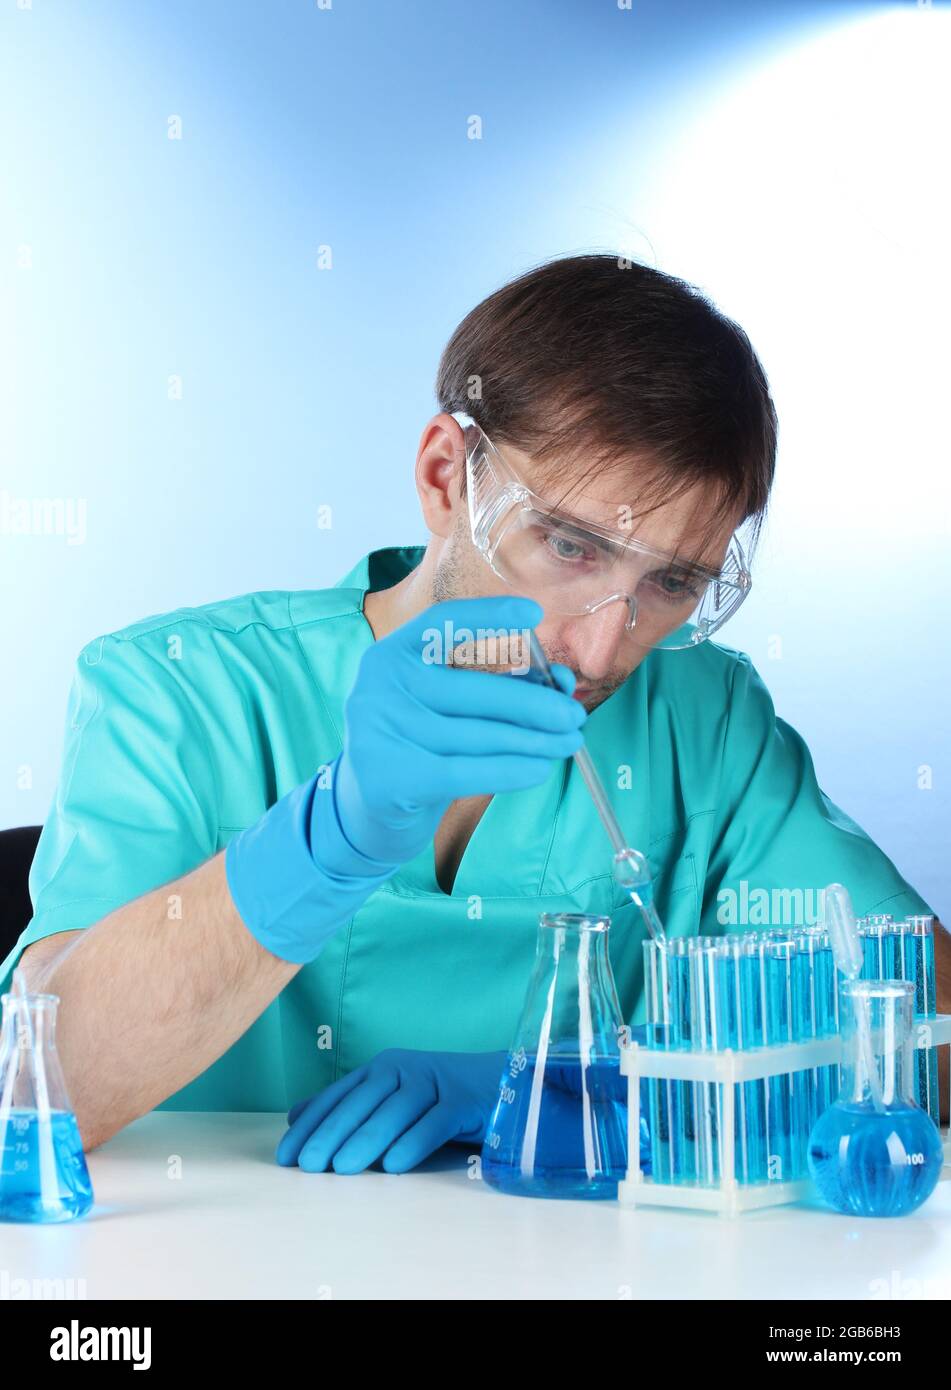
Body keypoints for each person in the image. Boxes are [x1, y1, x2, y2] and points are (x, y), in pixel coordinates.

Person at [2, 254, 943, 1174]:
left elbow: (927, 1030)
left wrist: (583, 1086)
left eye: (670, 582)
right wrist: (334, 831)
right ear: (448, 476)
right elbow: (41, 1092)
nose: (601, 651)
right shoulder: (177, 690)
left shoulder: (704, 719)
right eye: (569, 546)